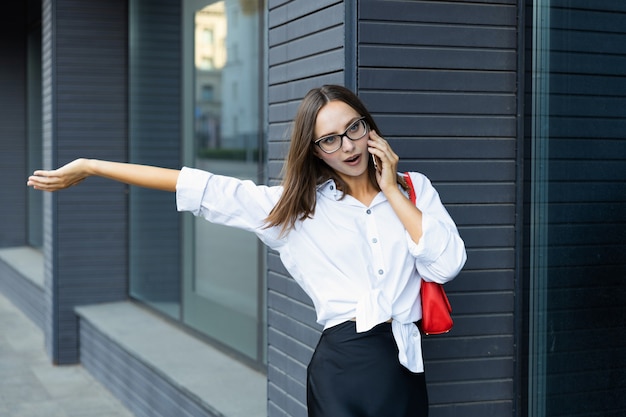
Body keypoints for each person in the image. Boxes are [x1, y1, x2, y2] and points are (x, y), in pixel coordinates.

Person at [28, 84, 466, 417]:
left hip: (406, 364)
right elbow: (197, 185)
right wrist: (91, 166)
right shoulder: (296, 209)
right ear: (314, 151)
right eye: (329, 139)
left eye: (354, 128)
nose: (347, 145)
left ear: (369, 126)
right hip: (344, 366)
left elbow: (445, 265)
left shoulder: (413, 189)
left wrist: (390, 189)